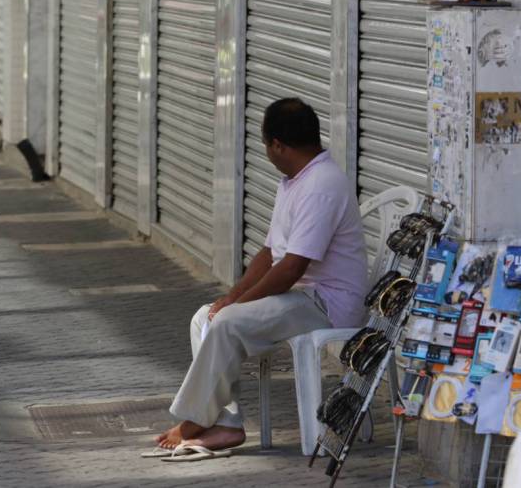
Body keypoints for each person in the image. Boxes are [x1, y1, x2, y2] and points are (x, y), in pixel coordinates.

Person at [155, 97, 368, 453]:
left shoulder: (322, 186)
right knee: (204, 319)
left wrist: (235, 304)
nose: (267, 153)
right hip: (298, 297)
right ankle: (226, 422)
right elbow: (270, 254)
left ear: (278, 145)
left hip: (326, 304)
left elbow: (291, 268)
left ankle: (195, 420)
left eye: (266, 145)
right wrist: (230, 296)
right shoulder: (294, 181)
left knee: (226, 323)